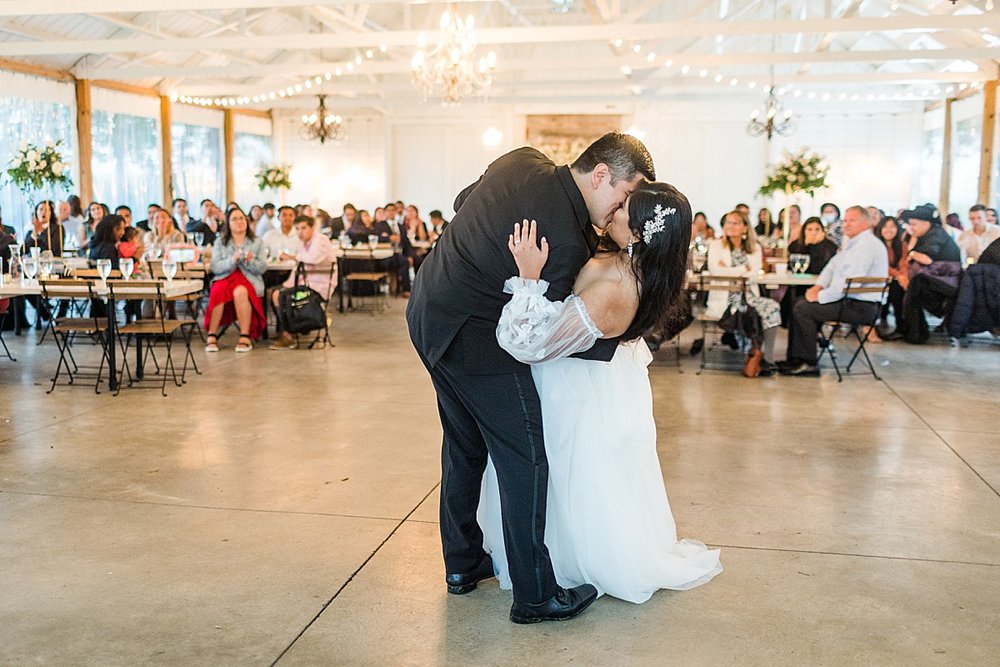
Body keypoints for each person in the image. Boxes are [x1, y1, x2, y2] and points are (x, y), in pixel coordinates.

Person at [406, 131, 655, 624]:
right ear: (601, 174)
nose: (622, 211)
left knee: (464, 447)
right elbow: (540, 334)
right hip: (475, 339)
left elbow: (463, 201)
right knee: (527, 460)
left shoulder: (522, 159)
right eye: (625, 197)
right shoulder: (561, 242)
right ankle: (535, 593)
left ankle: (462, 564)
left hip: (428, 313)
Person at [480, 183, 722, 606]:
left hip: (576, 391)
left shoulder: (616, 289)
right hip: (592, 384)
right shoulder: (621, 261)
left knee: (577, 472)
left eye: (626, 207)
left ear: (641, 230)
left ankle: (572, 560)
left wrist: (529, 277)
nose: (614, 207)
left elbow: (530, 344)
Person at [779, 206, 888, 376]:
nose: (847, 224)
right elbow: (832, 267)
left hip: (861, 306)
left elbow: (849, 283)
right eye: (845, 220)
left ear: (866, 223)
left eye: (852, 220)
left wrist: (820, 296)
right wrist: (817, 287)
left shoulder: (866, 246)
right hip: (849, 301)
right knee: (798, 302)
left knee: (803, 309)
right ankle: (795, 358)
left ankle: (808, 362)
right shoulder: (852, 243)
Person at [705, 209, 782, 374]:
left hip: (749, 295)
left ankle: (766, 357)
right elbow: (715, 271)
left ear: (745, 227)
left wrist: (728, 269)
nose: (730, 226)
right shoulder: (716, 246)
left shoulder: (754, 248)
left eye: (735, 223)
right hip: (726, 299)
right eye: (728, 222)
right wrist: (742, 269)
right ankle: (756, 352)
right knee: (751, 311)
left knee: (772, 307)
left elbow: (753, 274)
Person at [889, 203, 962, 344]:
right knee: (899, 286)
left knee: (917, 284)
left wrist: (912, 251)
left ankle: (915, 333)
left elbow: (927, 259)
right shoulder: (923, 235)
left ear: (926, 223)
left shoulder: (936, 234)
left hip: (945, 285)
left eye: (914, 224)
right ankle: (906, 329)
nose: (911, 228)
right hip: (932, 281)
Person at [205, 207, 267, 353]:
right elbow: (215, 267)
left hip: (249, 279)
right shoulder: (220, 242)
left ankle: (245, 335)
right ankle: (212, 334)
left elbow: (262, 268)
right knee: (218, 289)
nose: (239, 222)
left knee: (240, 292)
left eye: (241, 218)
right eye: (234, 219)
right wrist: (232, 260)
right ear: (228, 223)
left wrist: (250, 261)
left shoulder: (257, 242)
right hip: (225, 276)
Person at [269, 215, 335, 350]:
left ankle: (289, 335)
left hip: (318, 286)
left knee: (281, 296)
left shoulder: (320, 240)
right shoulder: (304, 244)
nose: (300, 232)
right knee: (274, 292)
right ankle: (290, 329)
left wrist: (291, 257)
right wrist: (286, 284)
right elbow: (299, 267)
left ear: (312, 228)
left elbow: (313, 258)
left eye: (304, 228)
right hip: (305, 283)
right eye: (297, 229)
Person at [875, 216, 908, 337]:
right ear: (880, 229)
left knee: (901, 288)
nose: (889, 230)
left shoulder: (902, 244)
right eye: (885, 226)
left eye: (892, 226)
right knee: (895, 288)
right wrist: (899, 276)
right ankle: (895, 324)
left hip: (895, 278)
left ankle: (902, 326)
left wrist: (903, 277)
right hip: (879, 277)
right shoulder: (876, 245)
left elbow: (903, 263)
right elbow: (882, 265)